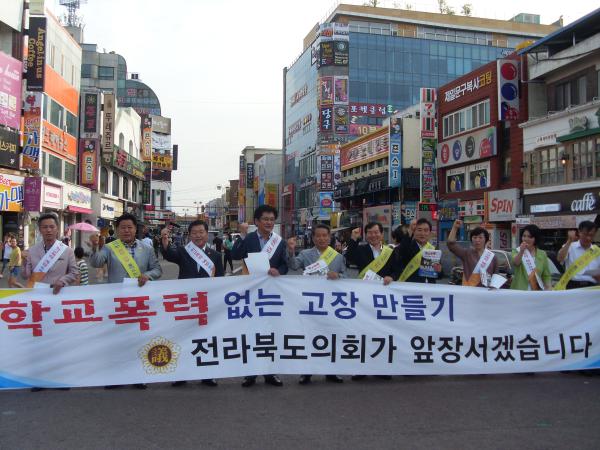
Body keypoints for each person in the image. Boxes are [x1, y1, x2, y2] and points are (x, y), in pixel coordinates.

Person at [89, 213, 162, 390]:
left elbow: (157, 269)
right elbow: (96, 263)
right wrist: (95, 246)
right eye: (123, 227)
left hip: (140, 301)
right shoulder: (110, 248)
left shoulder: (146, 248)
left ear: (136, 229)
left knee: (139, 338)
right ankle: (115, 376)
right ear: (118, 230)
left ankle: (138, 375)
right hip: (117, 302)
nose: (126, 230)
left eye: (130, 227)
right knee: (116, 340)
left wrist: (148, 275)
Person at [161, 220, 223, 387]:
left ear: (207, 233)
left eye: (201, 232)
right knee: (184, 338)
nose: (198, 235)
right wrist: (165, 241)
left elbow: (221, 281)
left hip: (206, 303)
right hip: (186, 304)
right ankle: (181, 374)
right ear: (189, 235)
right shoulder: (183, 251)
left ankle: (208, 374)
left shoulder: (215, 256)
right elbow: (169, 255)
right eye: (194, 232)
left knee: (207, 338)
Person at [231, 205, 287, 388]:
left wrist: (278, 270)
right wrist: (242, 235)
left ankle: (271, 372)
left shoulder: (279, 241)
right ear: (257, 222)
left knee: (271, 332)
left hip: (271, 293)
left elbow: (285, 265)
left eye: (272, 219)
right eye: (265, 219)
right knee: (252, 332)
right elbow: (235, 254)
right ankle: (251, 373)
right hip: (252, 292)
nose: (269, 222)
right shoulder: (249, 239)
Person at [21, 213, 78, 392]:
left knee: (60, 340)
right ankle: (39, 378)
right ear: (39, 230)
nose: (48, 230)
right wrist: (23, 263)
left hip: (59, 299)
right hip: (38, 302)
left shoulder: (66, 250)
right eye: (45, 227)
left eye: (51, 227)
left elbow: (74, 273)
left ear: (57, 229)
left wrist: (63, 280)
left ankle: (60, 377)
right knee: (39, 340)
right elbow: (26, 276)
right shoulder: (32, 251)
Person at [287, 223, 344, 385]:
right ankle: (307, 371)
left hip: (331, 303)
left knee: (331, 336)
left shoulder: (338, 256)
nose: (321, 238)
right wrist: (291, 251)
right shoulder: (305, 254)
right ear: (313, 238)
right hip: (310, 303)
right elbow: (294, 265)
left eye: (325, 235)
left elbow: (346, 276)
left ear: (330, 237)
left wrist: (338, 276)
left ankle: (331, 371)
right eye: (318, 236)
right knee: (309, 336)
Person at [447, 220, 498, 287]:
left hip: (486, 294)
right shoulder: (466, 253)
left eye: (480, 237)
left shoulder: (493, 257)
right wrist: (455, 227)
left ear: (486, 239)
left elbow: (496, 276)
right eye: (474, 237)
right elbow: (451, 245)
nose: (477, 240)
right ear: (471, 239)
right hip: (469, 293)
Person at [394, 219, 441, 284]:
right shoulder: (407, 246)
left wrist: (439, 271)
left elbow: (439, 275)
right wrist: (410, 230)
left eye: (426, 230)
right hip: (411, 287)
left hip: (429, 289)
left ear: (430, 233)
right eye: (419, 230)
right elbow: (401, 251)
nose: (422, 233)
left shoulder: (433, 250)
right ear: (414, 231)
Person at [556, 221, 600, 290]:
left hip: (592, 287)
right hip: (573, 286)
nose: (588, 238)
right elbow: (559, 259)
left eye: (591, 235)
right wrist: (569, 240)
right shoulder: (570, 246)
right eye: (585, 234)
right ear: (579, 232)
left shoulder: (597, 251)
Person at [510, 225, 551, 291]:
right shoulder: (516, 251)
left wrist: (548, 289)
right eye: (524, 236)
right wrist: (521, 251)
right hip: (519, 291)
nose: (526, 239)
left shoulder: (542, 254)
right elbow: (516, 263)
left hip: (535, 293)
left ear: (535, 238)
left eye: (530, 237)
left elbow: (546, 275)